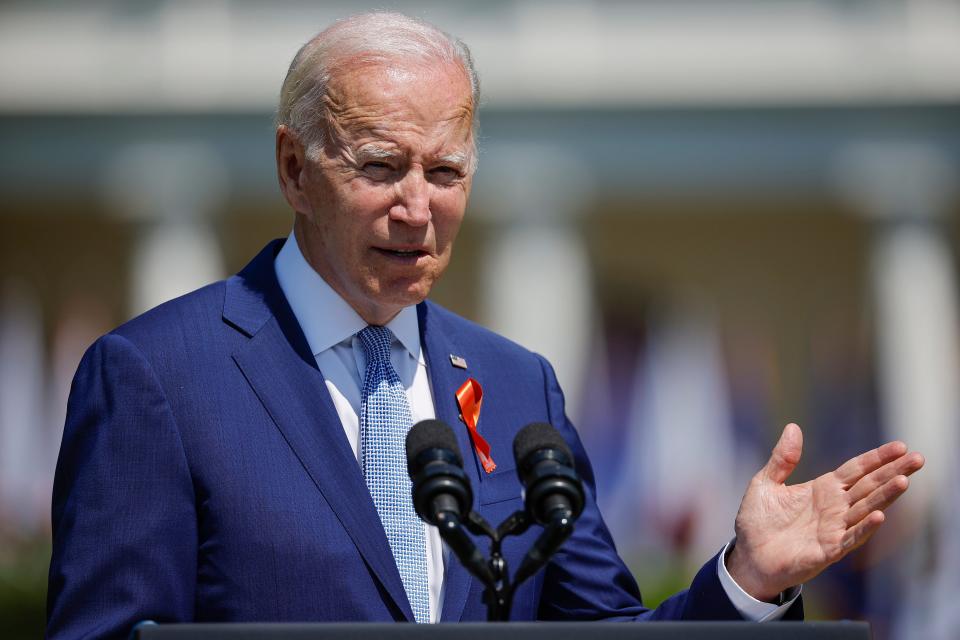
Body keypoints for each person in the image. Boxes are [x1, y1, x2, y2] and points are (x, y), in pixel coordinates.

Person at [46, 12, 924, 639]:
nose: (417, 210)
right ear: (294, 168)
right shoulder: (157, 376)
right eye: (382, 167)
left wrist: (747, 580)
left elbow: (602, 630)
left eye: (447, 172)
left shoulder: (514, 384)